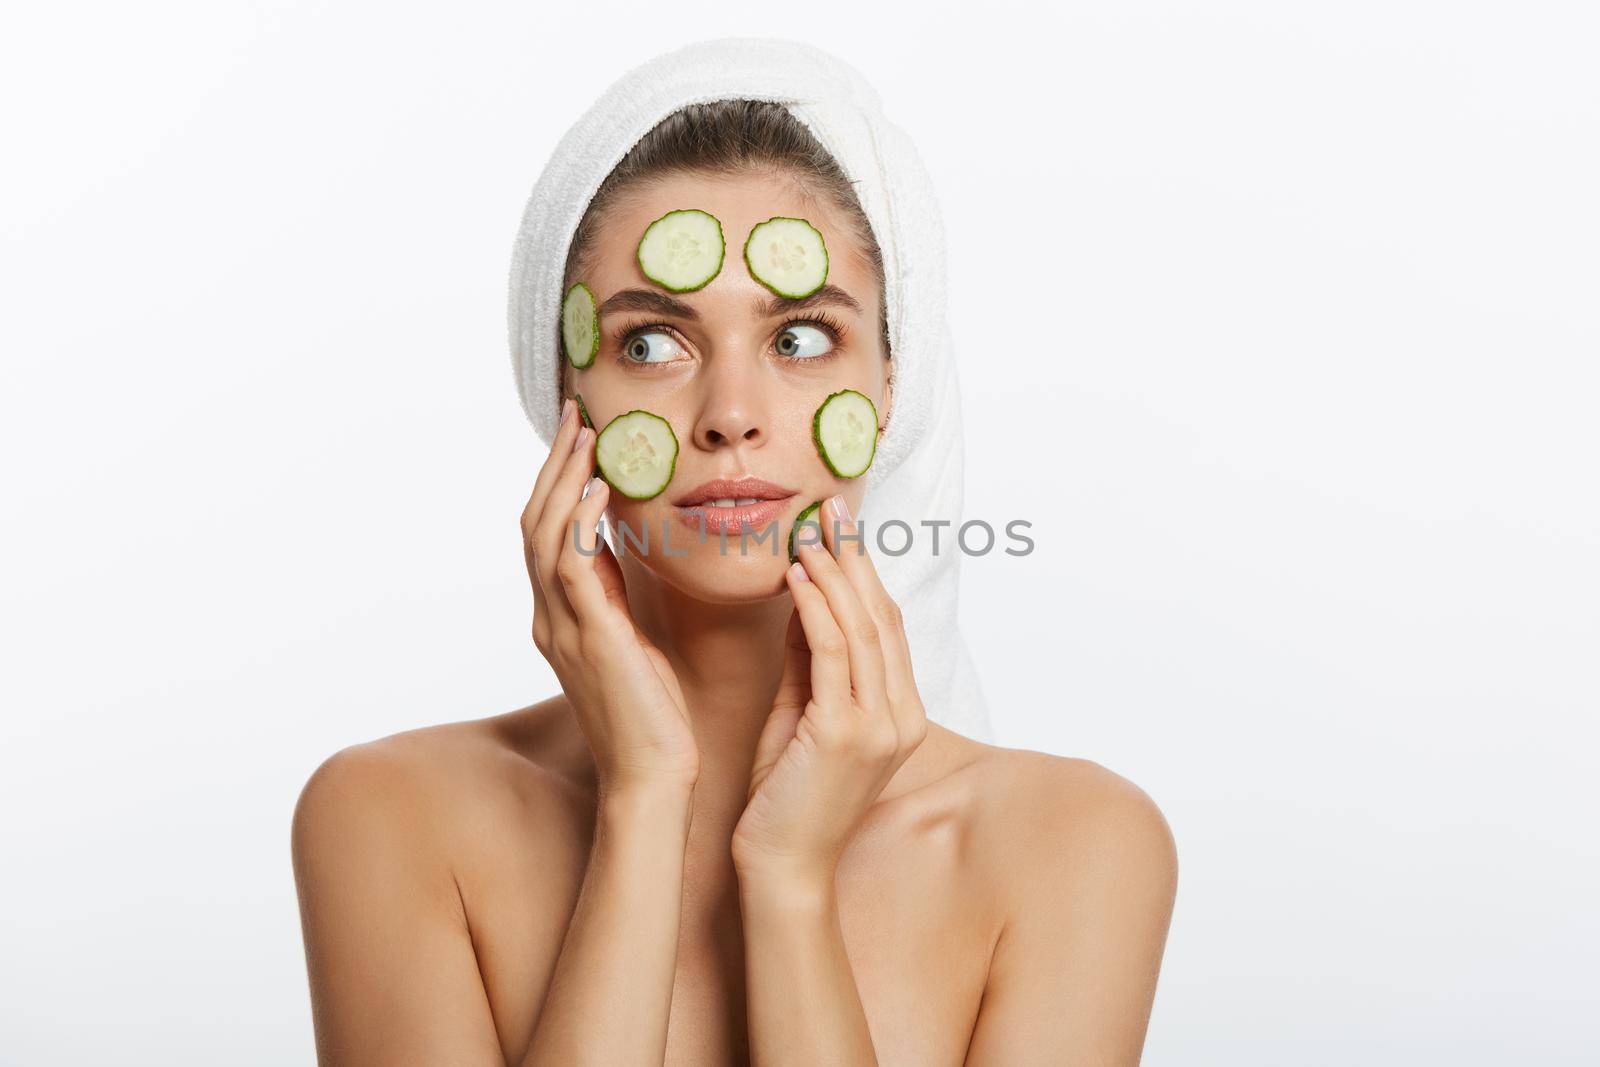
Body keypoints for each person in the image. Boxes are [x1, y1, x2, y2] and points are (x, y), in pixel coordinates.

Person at [291, 41, 1176, 1067]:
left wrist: (789, 880)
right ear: (562, 394)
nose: (731, 417)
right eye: (650, 343)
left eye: (799, 339)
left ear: (893, 386)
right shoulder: (389, 816)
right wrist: (644, 798)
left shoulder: (1076, 845)